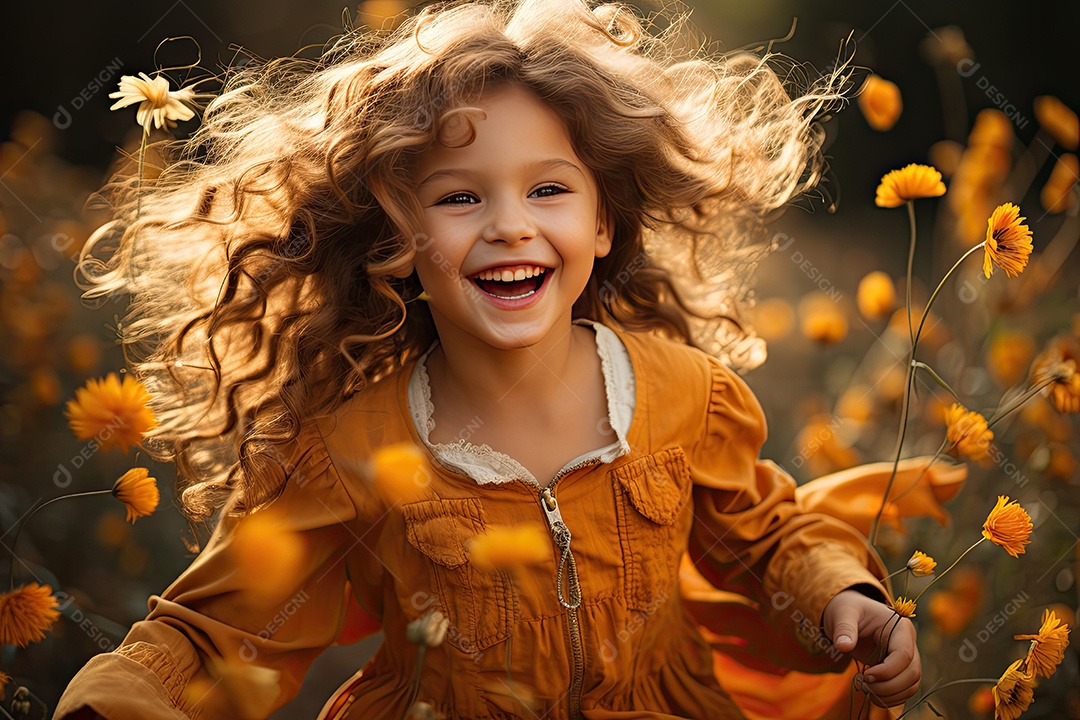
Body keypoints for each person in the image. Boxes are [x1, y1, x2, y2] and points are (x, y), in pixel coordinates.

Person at [55, 0, 956, 717]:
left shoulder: (686, 396)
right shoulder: (349, 449)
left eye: (549, 189)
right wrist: (121, 699)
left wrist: (839, 595)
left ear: (602, 223)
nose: (511, 224)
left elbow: (764, 540)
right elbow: (218, 634)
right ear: (402, 235)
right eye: (458, 196)